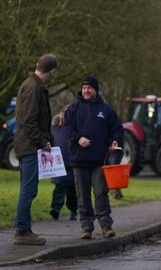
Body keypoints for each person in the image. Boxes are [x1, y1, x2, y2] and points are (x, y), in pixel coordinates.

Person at [64, 76, 123, 240]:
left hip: (99, 160)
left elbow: (117, 129)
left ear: (96, 90)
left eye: (89, 88)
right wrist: (78, 139)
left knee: (101, 193)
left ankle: (106, 226)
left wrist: (115, 141)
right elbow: (66, 129)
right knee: (82, 196)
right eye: (84, 88)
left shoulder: (106, 110)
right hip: (78, 160)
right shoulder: (73, 109)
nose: (86, 91)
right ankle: (86, 227)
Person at [12, 53, 58, 246]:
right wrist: (42, 142)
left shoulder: (29, 84)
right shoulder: (33, 88)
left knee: (27, 188)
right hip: (30, 146)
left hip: (25, 144)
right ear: (52, 71)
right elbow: (29, 121)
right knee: (29, 189)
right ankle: (22, 231)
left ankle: (25, 229)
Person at [50, 106, 78, 221]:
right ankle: (56, 208)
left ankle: (73, 210)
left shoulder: (75, 129)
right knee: (59, 187)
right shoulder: (54, 129)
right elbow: (49, 142)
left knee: (72, 190)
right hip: (58, 163)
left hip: (72, 163)